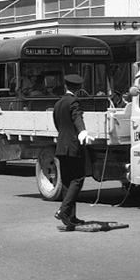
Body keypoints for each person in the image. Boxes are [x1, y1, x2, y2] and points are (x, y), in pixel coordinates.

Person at [52, 74, 93, 231]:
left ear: (65, 86)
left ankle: (70, 217)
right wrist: (82, 131)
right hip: (73, 146)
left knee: (67, 182)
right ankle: (63, 211)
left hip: (61, 146)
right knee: (78, 179)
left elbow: (57, 124)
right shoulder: (74, 102)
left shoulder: (58, 104)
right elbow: (77, 117)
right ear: (79, 88)